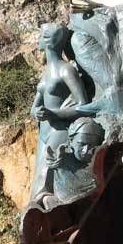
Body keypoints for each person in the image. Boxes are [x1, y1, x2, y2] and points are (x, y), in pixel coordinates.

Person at [29, 23, 89, 206]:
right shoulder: (46, 73)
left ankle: (59, 221)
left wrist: (53, 113)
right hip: (44, 135)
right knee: (37, 193)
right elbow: (34, 107)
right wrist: (37, 112)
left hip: (59, 132)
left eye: (40, 36)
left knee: (46, 190)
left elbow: (83, 105)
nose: (37, 40)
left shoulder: (66, 70)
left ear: (48, 41)